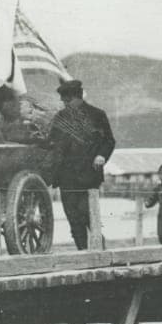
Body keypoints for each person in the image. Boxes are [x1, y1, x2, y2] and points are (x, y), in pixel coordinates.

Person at [46, 79, 115, 250]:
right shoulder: (60, 118)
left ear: (77, 98)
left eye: (67, 100)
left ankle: (101, 252)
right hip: (66, 177)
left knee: (89, 217)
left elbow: (109, 141)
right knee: (73, 219)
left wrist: (101, 156)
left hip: (88, 175)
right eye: (63, 101)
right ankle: (83, 254)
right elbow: (51, 143)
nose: (64, 103)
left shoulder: (97, 115)